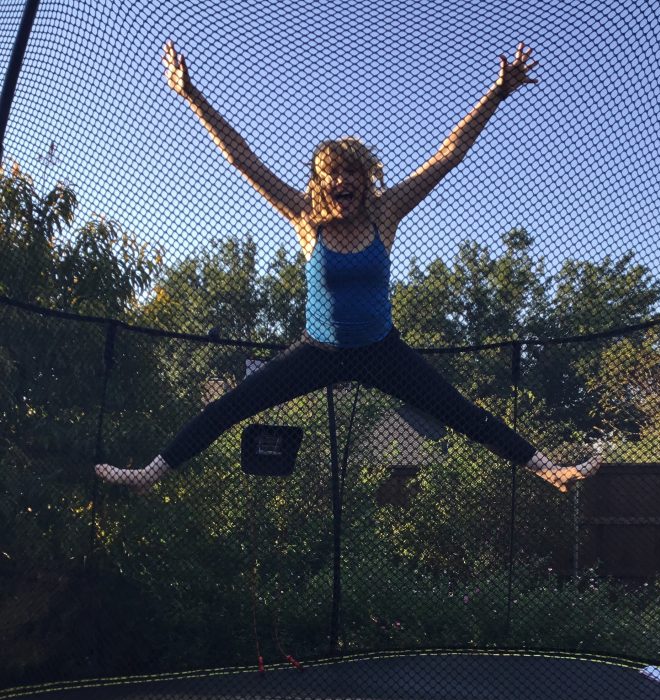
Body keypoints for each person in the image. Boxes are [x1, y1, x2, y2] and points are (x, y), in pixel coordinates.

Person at [95, 40, 601, 494]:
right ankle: (152, 472)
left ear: (365, 178)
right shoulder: (303, 218)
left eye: (351, 172)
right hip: (318, 351)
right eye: (331, 174)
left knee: (459, 410)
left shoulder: (386, 213)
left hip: (381, 351)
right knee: (232, 405)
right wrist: (192, 96)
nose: (342, 181)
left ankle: (547, 468)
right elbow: (242, 159)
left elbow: (448, 155)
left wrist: (497, 93)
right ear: (320, 183)